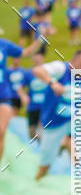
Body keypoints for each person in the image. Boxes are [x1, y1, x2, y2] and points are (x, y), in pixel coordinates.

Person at [33, 48, 81, 180]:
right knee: (45, 164)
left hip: (71, 120)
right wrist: (52, 82)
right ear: (73, 62)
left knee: (77, 150)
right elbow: (37, 71)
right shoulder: (60, 68)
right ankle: (38, 181)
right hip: (53, 122)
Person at [0, 34, 43, 164]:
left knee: (1, 131)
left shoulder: (4, 44)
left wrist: (41, 39)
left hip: (3, 96)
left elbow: (25, 52)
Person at [21, 50, 48, 141]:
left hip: (44, 106)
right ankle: (39, 143)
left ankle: (43, 147)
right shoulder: (28, 73)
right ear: (33, 59)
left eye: (39, 59)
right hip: (32, 106)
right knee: (32, 134)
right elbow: (20, 87)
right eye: (35, 59)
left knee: (42, 129)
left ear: (43, 59)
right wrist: (23, 96)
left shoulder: (48, 71)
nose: (37, 60)